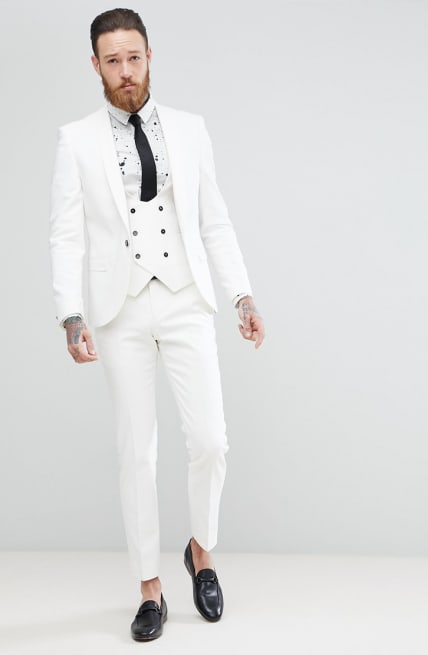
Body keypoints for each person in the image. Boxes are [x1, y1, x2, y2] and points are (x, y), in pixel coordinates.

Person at [49, 7, 264, 641]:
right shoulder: (75, 140)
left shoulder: (191, 130)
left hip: (184, 298)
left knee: (211, 441)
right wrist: (71, 314)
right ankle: (149, 587)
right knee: (136, 451)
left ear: (150, 57)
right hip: (119, 309)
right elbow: (65, 235)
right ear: (96, 65)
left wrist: (242, 295)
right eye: (112, 60)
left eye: (134, 57)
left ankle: (201, 551)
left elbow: (214, 221)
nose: (125, 71)